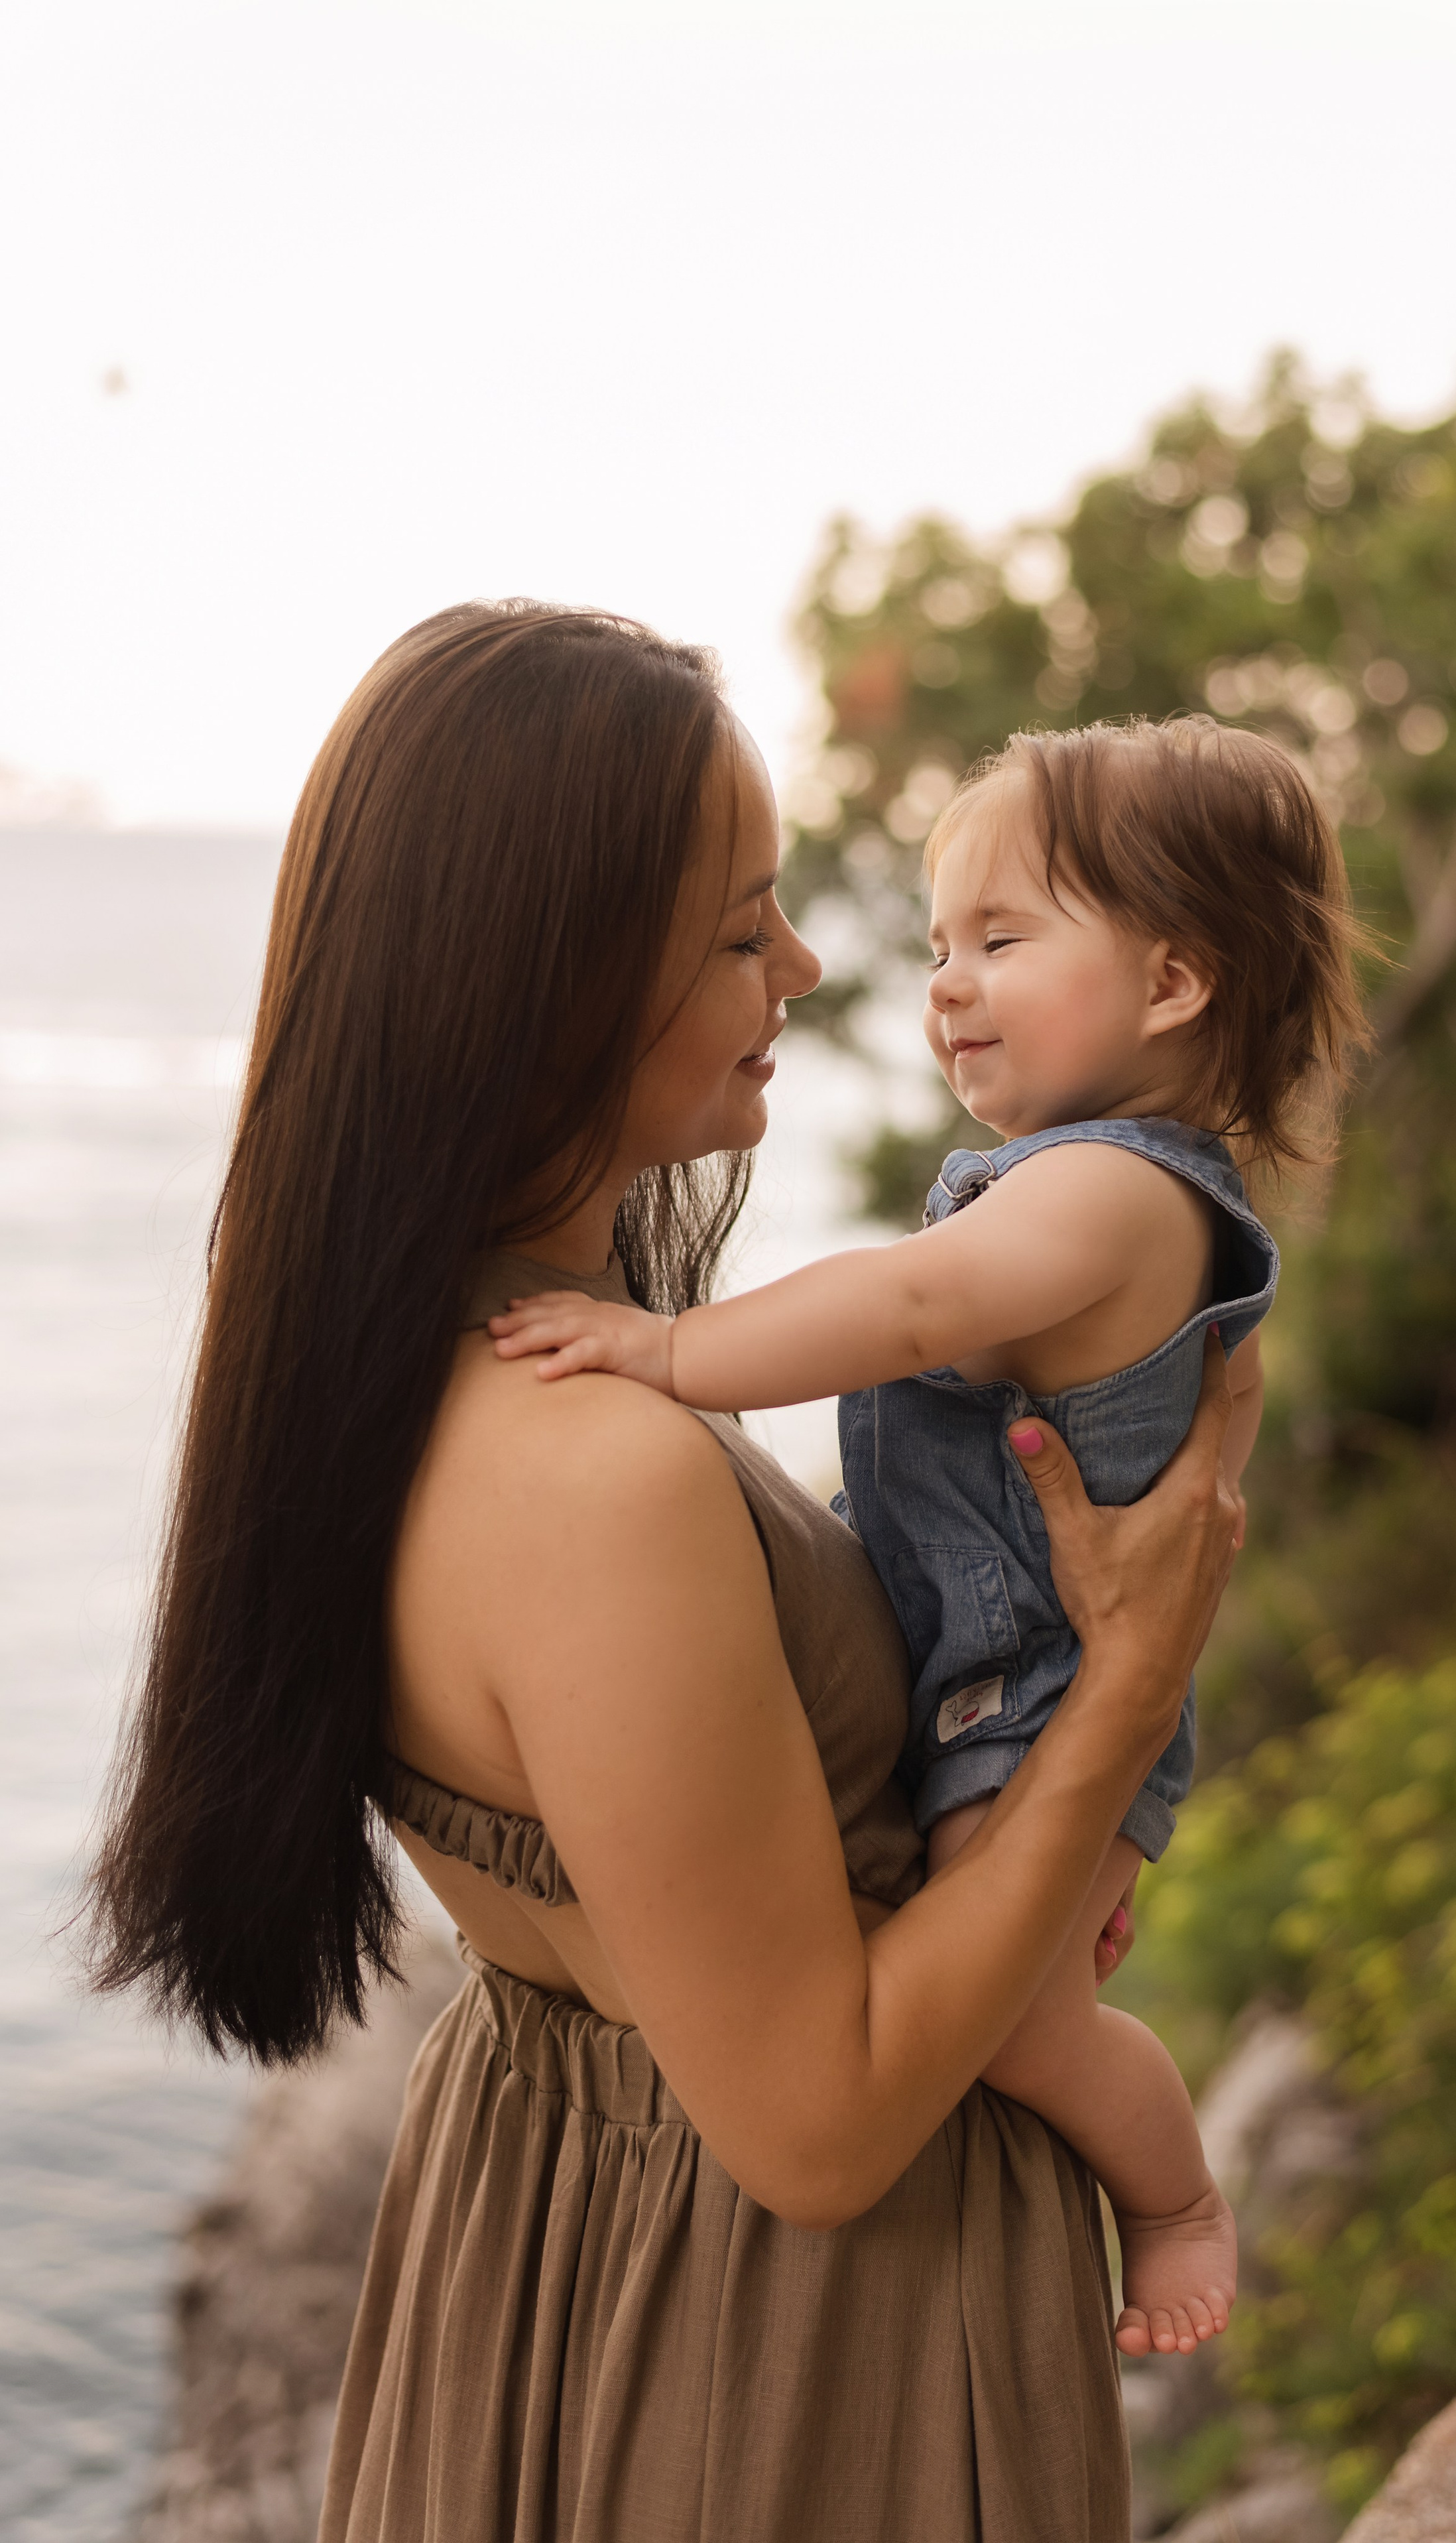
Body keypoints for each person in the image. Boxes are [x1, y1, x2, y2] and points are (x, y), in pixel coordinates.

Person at [86, 602, 1246, 2543]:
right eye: (737, 931)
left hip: (563, 2242)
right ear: (551, 985)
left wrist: (1002, 1877)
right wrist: (1125, 1691)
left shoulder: (403, 1380)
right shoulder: (594, 1474)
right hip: (795, 2346)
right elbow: (818, 2120)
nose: (803, 965)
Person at [487, 715, 1366, 2363]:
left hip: (1029, 1695)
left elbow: (904, 1307)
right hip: (985, 1669)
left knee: (1016, 2026)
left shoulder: (1115, 1195)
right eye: (942, 945)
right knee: (976, 1968)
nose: (943, 986)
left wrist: (665, 1350)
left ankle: (1174, 2196)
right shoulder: (1084, 1186)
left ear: (1172, 983)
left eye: (1001, 941)